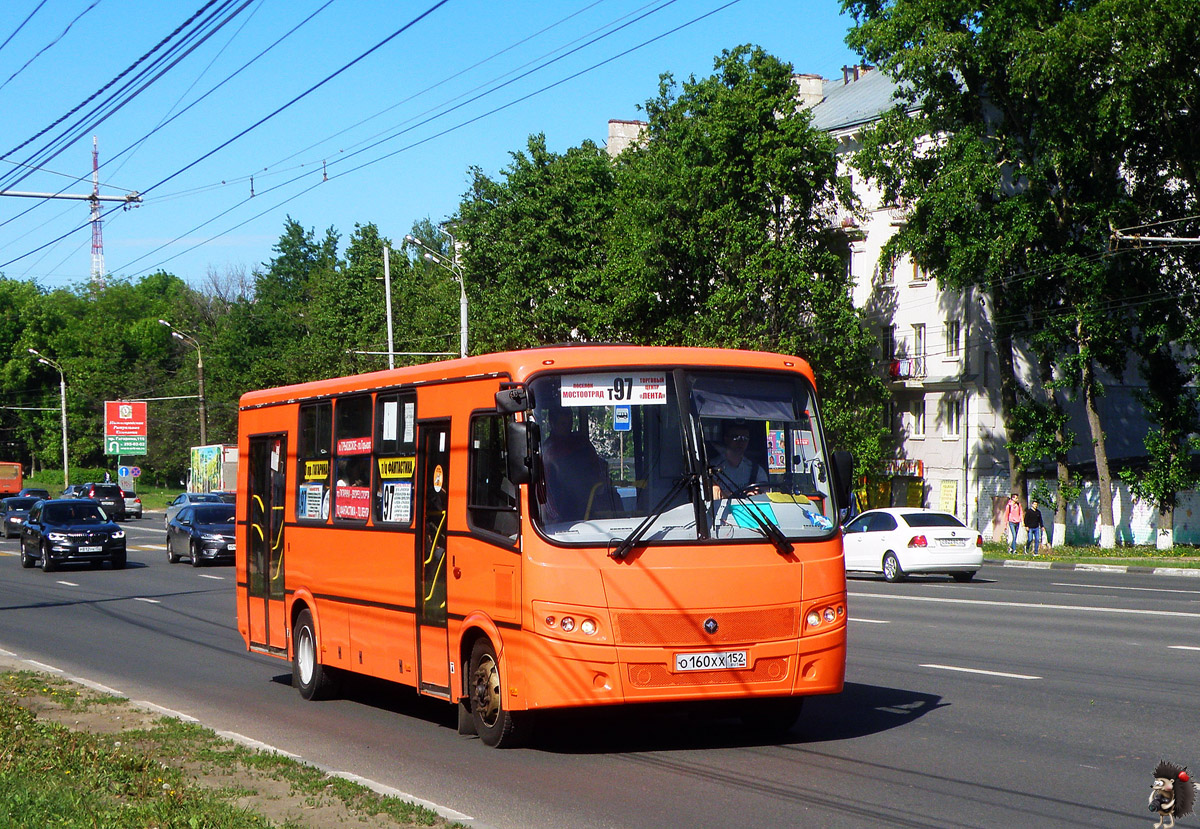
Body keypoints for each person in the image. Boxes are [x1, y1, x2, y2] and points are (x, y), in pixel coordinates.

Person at [714, 422, 767, 496]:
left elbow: (764, 493)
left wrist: (757, 493)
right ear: (726, 439)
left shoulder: (756, 469)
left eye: (745, 438)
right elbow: (713, 496)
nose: (741, 442)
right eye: (736, 437)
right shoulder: (713, 468)